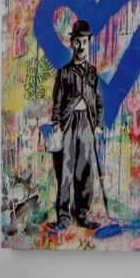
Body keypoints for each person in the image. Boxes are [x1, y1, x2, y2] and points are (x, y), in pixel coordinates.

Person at [49, 16, 108, 232]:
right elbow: (57, 102)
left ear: (88, 43)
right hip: (67, 124)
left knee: (85, 170)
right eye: (77, 41)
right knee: (65, 171)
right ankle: (63, 216)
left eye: (84, 41)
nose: (81, 45)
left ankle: (82, 215)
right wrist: (56, 124)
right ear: (72, 43)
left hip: (87, 125)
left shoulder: (92, 72)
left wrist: (98, 124)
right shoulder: (63, 72)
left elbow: (99, 101)